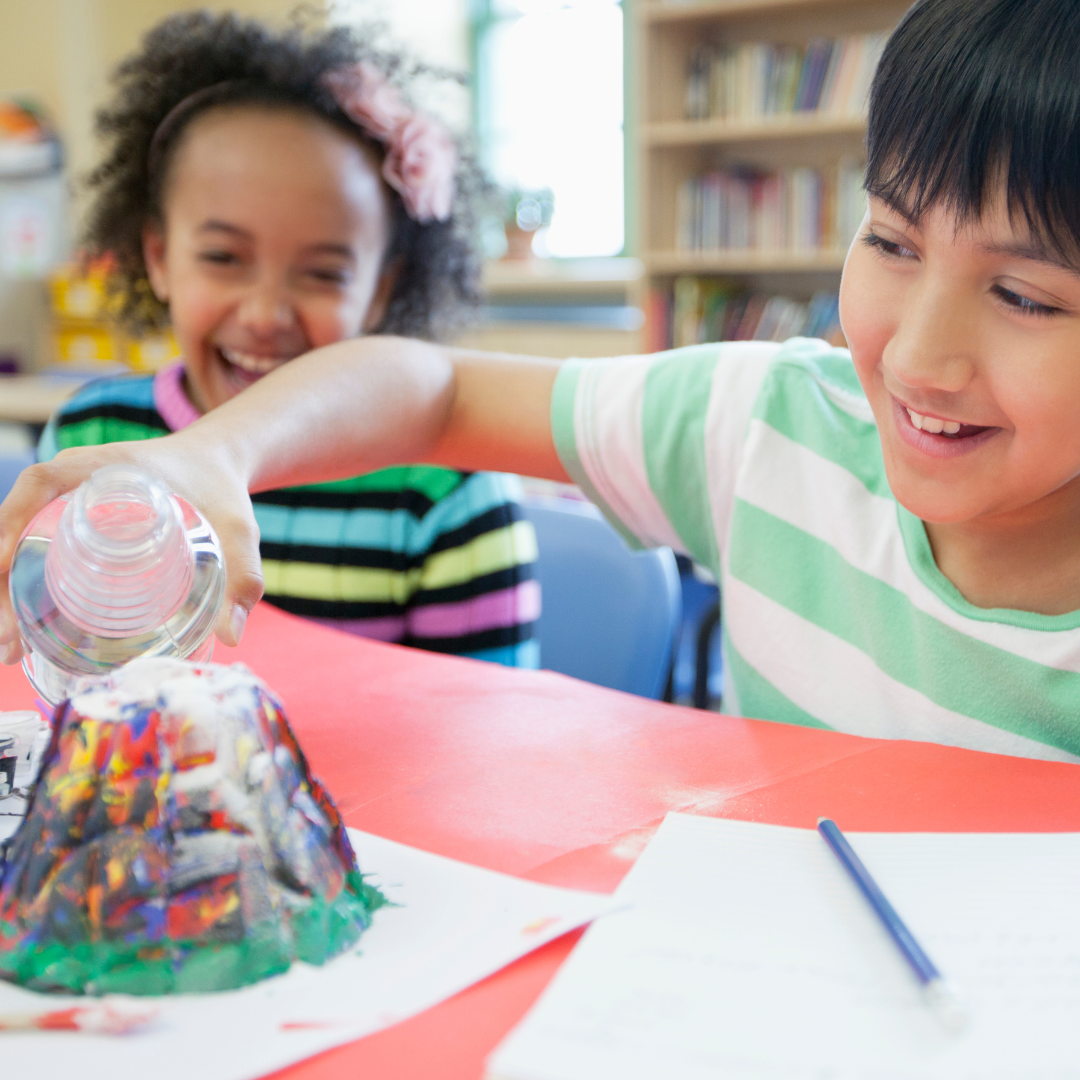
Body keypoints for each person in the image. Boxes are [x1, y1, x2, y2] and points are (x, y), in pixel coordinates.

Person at [2, 0, 1078, 760]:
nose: (915, 357)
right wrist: (216, 451)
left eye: (1025, 297)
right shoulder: (772, 427)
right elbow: (439, 390)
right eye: (890, 241)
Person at [31, 13, 540, 668]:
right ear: (158, 257)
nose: (268, 313)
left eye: (324, 273)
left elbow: (487, 738)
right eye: (222, 257)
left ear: (383, 288)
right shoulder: (92, 439)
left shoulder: (444, 494)